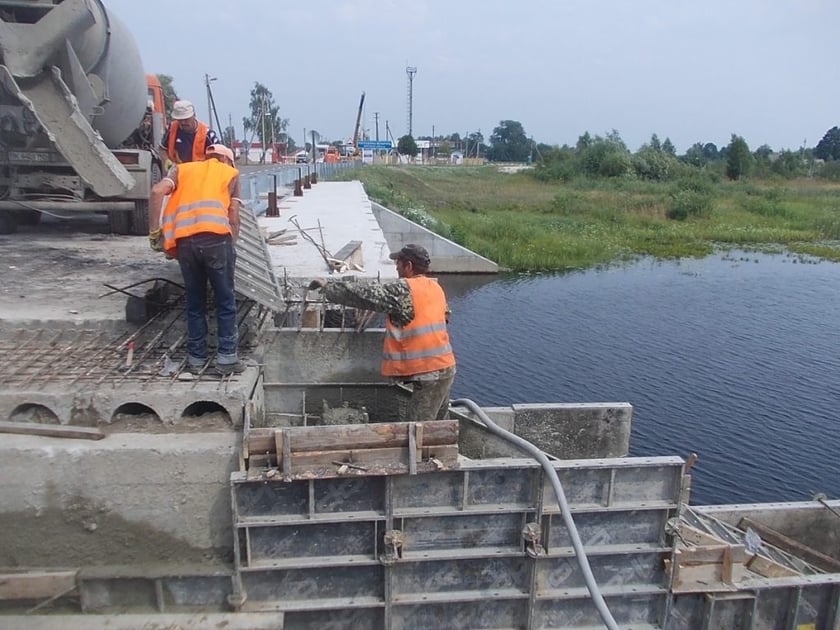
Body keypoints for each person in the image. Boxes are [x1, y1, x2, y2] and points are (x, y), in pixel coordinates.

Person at [309, 244, 456, 421]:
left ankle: (424, 450)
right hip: (445, 367)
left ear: (408, 266)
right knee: (439, 428)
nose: (396, 267)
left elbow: (365, 295)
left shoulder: (403, 290)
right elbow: (443, 317)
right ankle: (439, 448)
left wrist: (328, 287)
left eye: (399, 263)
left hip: (429, 371)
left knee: (418, 431)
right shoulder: (435, 289)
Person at [148, 144, 243, 376]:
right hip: (216, 241)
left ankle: (196, 359)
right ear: (226, 160)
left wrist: (154, 233)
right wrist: (232, 246)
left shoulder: (182, 170)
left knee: (195, 301)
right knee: (225, 300)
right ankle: (227, 358)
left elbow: (156, 192)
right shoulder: (230, 174)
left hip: (185, 243)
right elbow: (233, 216)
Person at [160, 99, 219, 165]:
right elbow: (162, 149)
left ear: (194, 115)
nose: (183, 123)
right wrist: (167, 161)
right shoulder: (172, 129)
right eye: (180, 120)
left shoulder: (207, 134)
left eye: (186, 119)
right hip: (178, 172)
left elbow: (219, 156)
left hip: (200, 173)